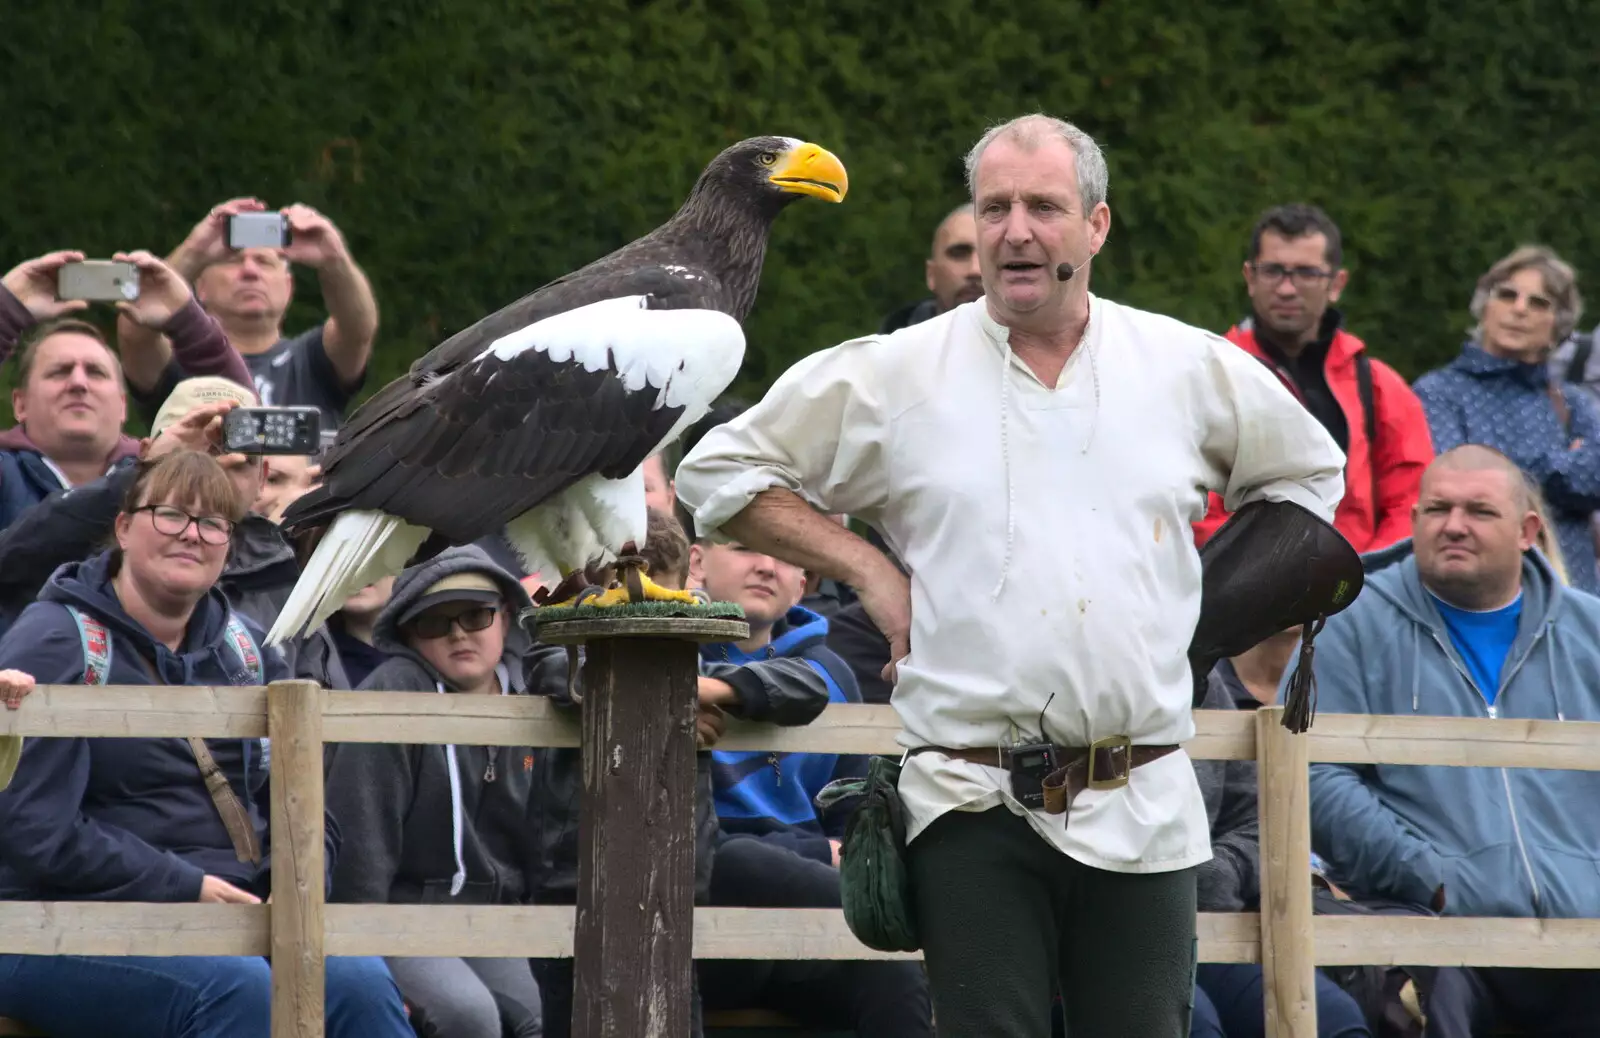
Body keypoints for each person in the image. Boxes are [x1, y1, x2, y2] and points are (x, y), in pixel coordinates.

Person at [675, 112, 1347, 1037]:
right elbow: (715, 473)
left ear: (1097, 226)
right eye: (994, 208)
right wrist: (867, 568)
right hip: (970, 797)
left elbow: (1312, 478)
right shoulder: (897, 374)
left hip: (1143, 794)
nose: (1015, 230)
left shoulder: (1184, 366)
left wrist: (1201, 620)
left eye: (1044, 205)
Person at [0, 450, 411, 1038]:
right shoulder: (55, 641)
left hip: (230, 915)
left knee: (357, 981)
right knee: (234, 988)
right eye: (170, 515)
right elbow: (34, 830)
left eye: (213, 522)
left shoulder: (247, 653)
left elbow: (303, 806)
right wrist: (182, 886)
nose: (192, 535)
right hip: (54, 922)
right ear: (123, 527)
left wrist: (290, 885)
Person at [1305, 444, 1600, 1037]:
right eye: (1436, 509)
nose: (1455, 525)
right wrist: (1430, 877)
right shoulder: (1348, 625)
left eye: (1479, 511)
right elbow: (1314, 774)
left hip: (1586, 931)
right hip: (1431, 928)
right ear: (1414, 521)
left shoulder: (1590, 631)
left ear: (1528, 531)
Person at [0, 378, 350, 688]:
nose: (208, 476)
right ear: (146, 458)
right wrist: (141, 476)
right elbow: (12, 559)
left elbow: (323, 733)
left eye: (239, 459)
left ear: (262, 479)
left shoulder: (285, 580)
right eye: (189, 457)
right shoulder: (83, 554)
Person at [327, 545, 544, 1038]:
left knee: (551, 1011)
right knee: (469, 1017)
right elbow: (358, 849)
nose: (458, 632)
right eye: (434, 622)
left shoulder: (536, 697)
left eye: (475, 614)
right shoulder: (392, 695)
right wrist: (358, 959)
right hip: (402, 916)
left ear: (506, 618)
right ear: (406, 633)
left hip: (499, 918)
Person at [1193, 204, 1432, 553]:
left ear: (1336, 284)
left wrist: (1368, 581)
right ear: (1250, 278)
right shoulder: (1209, 375)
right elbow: (1191, 501)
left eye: (1306, 273)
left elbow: (1412, 501)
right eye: (1274, 271)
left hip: (1361, 591)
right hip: (1246, 593)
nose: (1287, 289)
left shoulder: (1379, 387)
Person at [0, 248, 251, 530]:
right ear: (19, 404)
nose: (79, 383)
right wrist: (6, 308)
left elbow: (243, 419)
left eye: (96, 372)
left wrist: (187, 318)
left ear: (123, 405)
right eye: (59, 371)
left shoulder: (166, 473)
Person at [1412, 245, 1600, 592]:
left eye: (1539, 302)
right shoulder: (1438, 393)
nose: (1519, 309)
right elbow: (1458, 484)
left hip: (1573, 592)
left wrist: (1501, 464)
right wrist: (1564, 464)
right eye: (1507, 295)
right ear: (1484, 306)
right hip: (1480, 591)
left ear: (1558, 324)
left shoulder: (1572, 402)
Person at [119, 197, 379, 428]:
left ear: (288, 288)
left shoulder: (311, 361)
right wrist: (194, 251)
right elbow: (135, 330)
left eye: (264, 262)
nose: (250, 272)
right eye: (233, 262)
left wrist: (334, 259)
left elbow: (357, 328)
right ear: (200, 288)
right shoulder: (179, 362)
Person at [880, 203, 983, 332]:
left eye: (991, 256)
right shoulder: (883, 350)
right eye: (959, 254)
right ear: (931, 275)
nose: (975, 270)